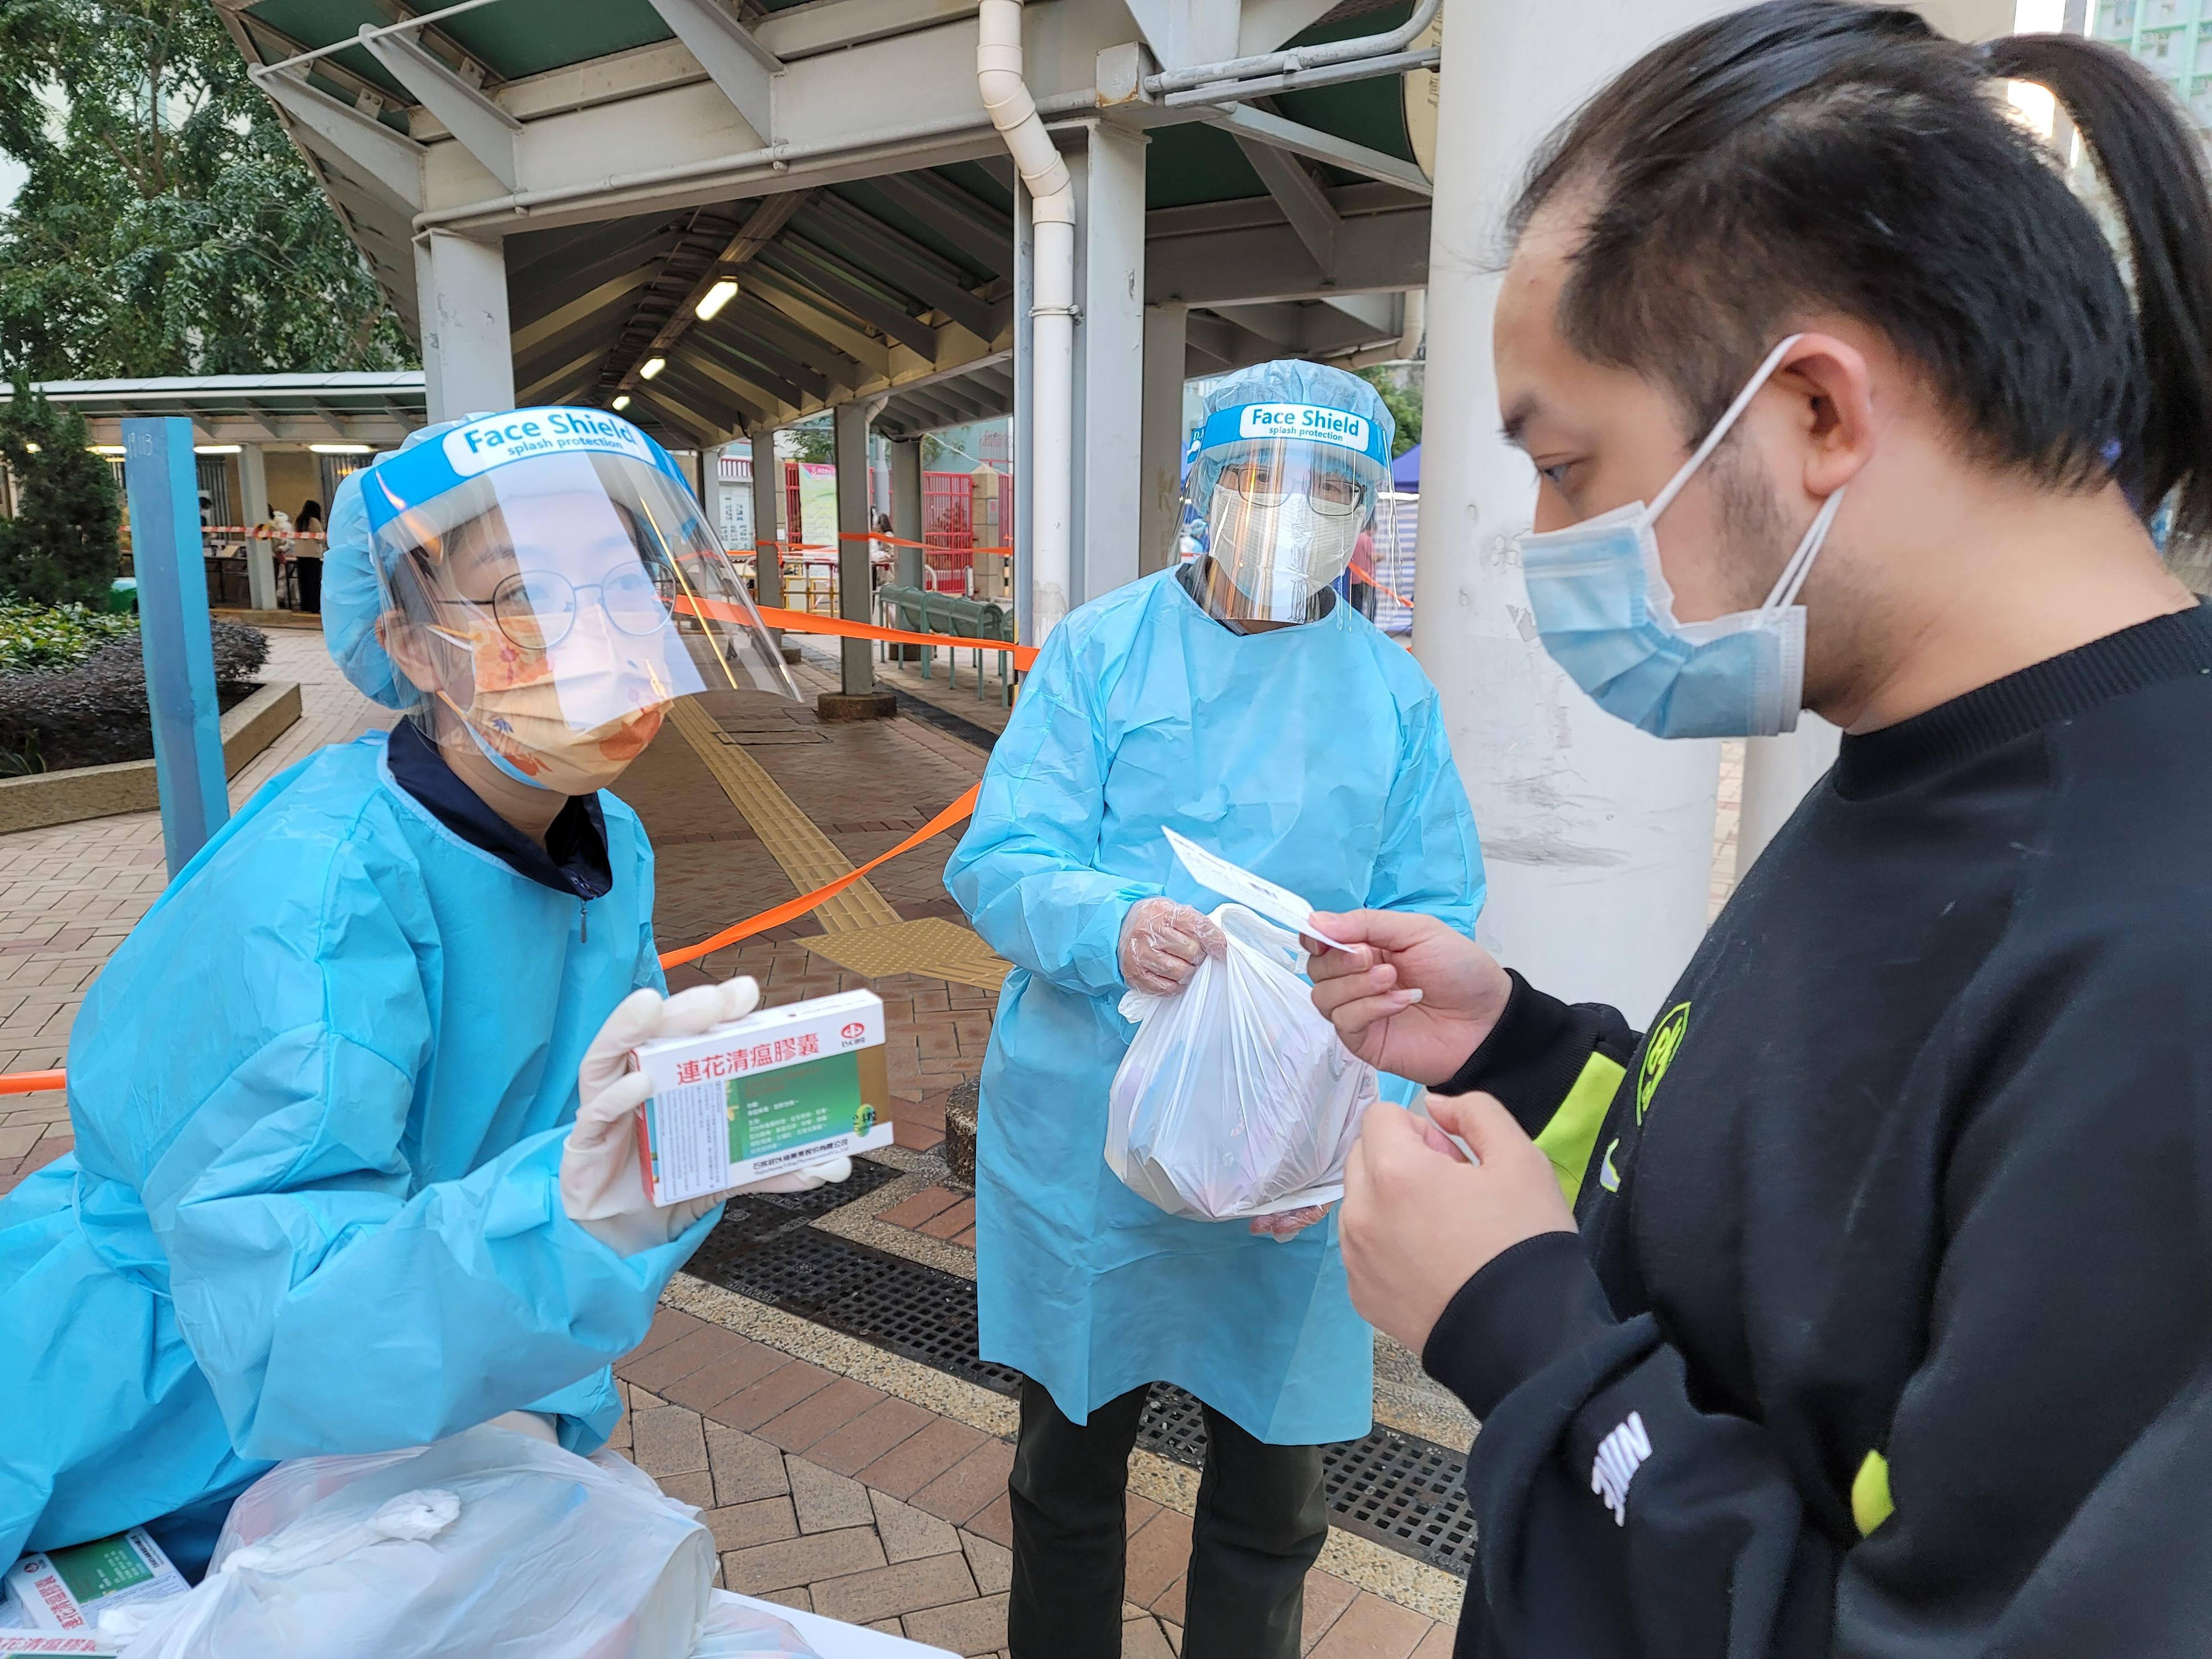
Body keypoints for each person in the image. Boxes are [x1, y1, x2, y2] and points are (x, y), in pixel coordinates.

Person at [1303, 7, 2212, 1653]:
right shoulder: (1909, 751)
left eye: (1568, 464)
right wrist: (1519, 1052)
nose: (1545, 541)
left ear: (1813, 413)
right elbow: (1807, 1212)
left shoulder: (2164, 950)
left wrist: (1516, 1328)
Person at [0, 408, 834, 1579]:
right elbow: (287, 1313)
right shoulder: (320, 891)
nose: (593, 632)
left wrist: (559, 1379)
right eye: (523, 595)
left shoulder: (605, 840)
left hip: (399, 1395)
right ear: (410, 645)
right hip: (160, 1425)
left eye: (620, 583)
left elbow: (542, 1156)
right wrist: (581, 1216)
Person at [946, 360, 1484, 1659]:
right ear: (1204, 490)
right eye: (1258, 482)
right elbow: (999, 854)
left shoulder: (1392, 697)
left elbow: (1433, 920)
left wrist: (1371, 1122)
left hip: (1294, 1144)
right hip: (1097, 1129)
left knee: (1272, 1493)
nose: (1288, 512)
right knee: (1065, 1469)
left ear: (1363, 515)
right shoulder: (1100, 651)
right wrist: (1108, 925)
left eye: (1328, 492)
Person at [292, 495, 326, 614]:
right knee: (314, 582)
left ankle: (305, 605)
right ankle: (314, 606)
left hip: (300, 555)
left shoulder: (299, 521)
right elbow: (320, 539)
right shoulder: (314, 521)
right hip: (312, 556)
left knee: (304, 582)